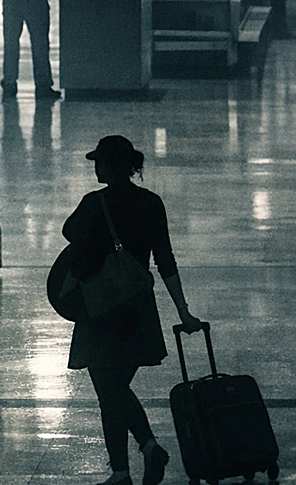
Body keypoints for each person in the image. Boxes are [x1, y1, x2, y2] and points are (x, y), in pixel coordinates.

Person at [62, 135, 204, 485]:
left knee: (108, 389)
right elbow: (165, 261)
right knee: (114, 390)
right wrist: (183, 311)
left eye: (99, 162)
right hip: (138, 306)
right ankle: (126, 468)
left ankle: (141, 453)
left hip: (102, 306)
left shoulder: (94, 203)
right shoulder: (152, 203)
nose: (95, 167)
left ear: (110, 166)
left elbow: (70, 234)